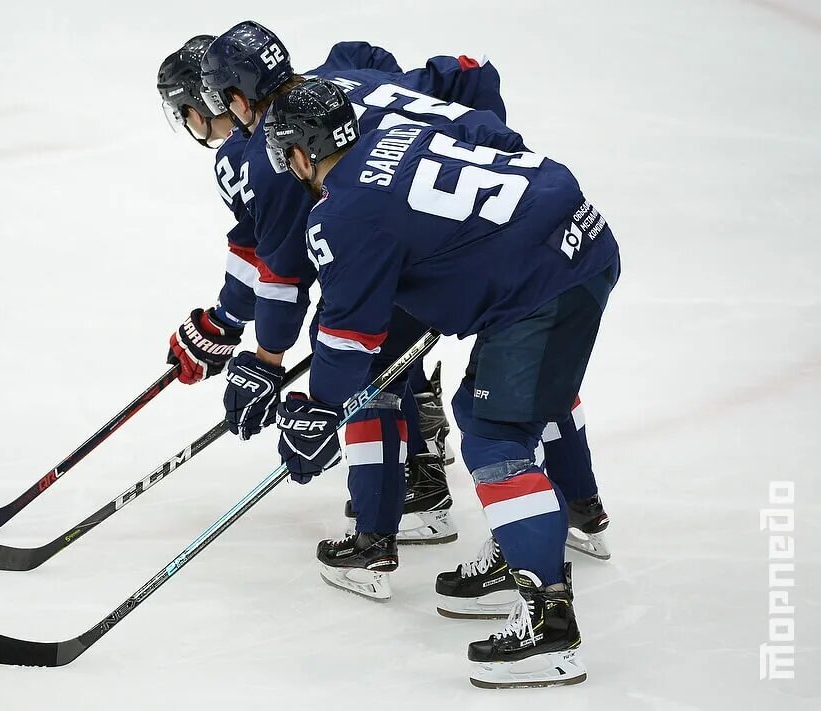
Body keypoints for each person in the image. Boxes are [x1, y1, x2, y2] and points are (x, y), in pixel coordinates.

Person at [264, 77, 620, 688]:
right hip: (577, 233)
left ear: (300, 154)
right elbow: (491, 133)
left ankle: (549, 627)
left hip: (543, 284)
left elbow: (349, 338)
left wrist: (319, 410)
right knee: (488, 407)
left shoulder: (342, 214)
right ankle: (528, 545)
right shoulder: (396, 131)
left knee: (495, 436)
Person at [177, 20, 513, 546]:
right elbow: (461, 74)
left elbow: (284, 268)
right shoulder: (337, 81)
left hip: (426, 240)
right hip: (492, 211)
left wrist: (266, 358)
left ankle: (403, 503)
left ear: (236, 98)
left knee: (354, 349)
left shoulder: (272, 153)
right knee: (381, 331)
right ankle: (431, 453)